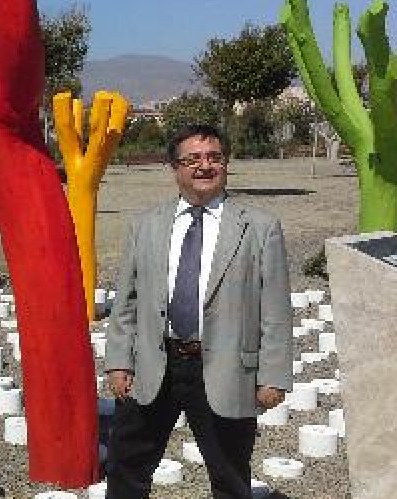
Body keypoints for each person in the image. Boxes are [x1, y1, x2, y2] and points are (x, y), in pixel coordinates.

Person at [103, 124, 294, 499]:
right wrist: (118, 361)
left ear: (225, 164)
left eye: (214, 158)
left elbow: (275, 309)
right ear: (175, 167)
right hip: (155, 366)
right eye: (193, 160)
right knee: (127, 468)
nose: (204, 167)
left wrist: (273, 375)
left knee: (230, 476)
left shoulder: (259, 228)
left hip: (225, 369)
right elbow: (127, 301)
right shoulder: (145, 226)